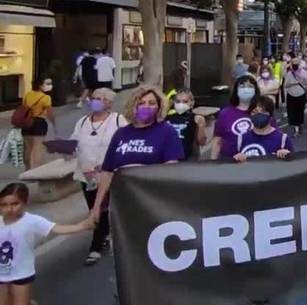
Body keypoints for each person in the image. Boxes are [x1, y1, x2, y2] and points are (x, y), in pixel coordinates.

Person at [90, 86, 185, 223]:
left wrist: (140, 171)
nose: (146, 107)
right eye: (141, 103)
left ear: (159, 107)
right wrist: (97, 206)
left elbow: (171, 169)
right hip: (123, 203)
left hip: (154, 203)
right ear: (133, 106)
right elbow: (107, 173)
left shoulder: (167, 132)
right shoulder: (121, 134)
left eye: (152, 103)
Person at [0, 182, 93, 305]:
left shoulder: (31, 221)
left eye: (15, 204)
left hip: (22, 273)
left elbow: (56, 228)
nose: (10, 209)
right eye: (4, 205)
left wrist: (82, 226)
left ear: (24, 203)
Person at [69, 87, 126, 266]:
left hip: (109, 174)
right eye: (94, 98)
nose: (95, 101)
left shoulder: (118, 120)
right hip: (86, 175)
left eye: (100, 98)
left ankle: (95, 247)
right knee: (95, 208)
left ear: (109, 102)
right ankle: (105, 233)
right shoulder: (83, 122)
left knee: (99, 208)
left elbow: (125, 143)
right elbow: (74, 143)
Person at [211, 76, 260, 160]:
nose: (246, 89)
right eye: (242, 86)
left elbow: (272, 136)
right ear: (236, 90)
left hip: (256, 161)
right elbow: (217, 141)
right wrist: (212, 163)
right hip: (229, 163)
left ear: (255, 90)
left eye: (250, 86)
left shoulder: (262, 112)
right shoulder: (225, 113)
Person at [234, 96, 293, 161]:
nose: (259, 114)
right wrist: (237, 158)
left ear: (270, 115)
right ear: (249, 115)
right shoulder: (241, 139)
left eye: (263, 111)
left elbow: (294, 165)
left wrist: (287, 155)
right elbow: (230, 165)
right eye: (254, 112)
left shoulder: (282, 139)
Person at [19, 77, 54, 171]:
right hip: (39, 123)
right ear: (40, 86)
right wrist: (53, 123)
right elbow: (50, 112)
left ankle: (27, 169)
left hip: (27, 122)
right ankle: (36, 171)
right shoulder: (46, 97)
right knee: (37, 149)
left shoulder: (27, 95)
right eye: (44, 84)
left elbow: (24, 108)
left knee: (27, 149)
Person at [165, 88, 207, 161]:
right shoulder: (168, 118)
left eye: (185, 101)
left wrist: (201, 126)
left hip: (188, 158)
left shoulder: (195, 118)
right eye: (178, 101)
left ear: (192, 103)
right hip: (170, 158)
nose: (181, 104)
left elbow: (201, 142)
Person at [282, 58, 307, 136]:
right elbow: (286, 85)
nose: (295, 64)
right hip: (291, 94)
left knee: (300, 111)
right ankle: (295, 128)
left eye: (296, 63)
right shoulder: (289, 73)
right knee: (292, 112)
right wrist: (294, 83)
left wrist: (303, 80)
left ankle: (300, 125)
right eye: (293, 63)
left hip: (301, 93)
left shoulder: (304, 72)